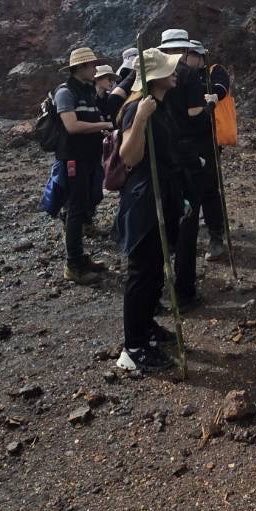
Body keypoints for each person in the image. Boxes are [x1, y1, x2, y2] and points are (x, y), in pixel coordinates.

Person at [112, 47, 184, 374]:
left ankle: (146, 327)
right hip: (144, 200)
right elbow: (129, 156)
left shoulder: (163, 105)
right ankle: (133, 348)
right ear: (154, 77)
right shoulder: (137, 109)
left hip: (164, 194)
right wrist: (140, 117)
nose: (176, 72)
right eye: (170, 69)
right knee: (142, 273)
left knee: (156, 269)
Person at [157, 28, 231, 309]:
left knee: (168, 214)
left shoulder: (150, 72)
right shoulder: (185, 75)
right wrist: (209, 107)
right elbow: (194, 115)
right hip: (192, 151)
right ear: (186, 51)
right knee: (191, 213)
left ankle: (158, 288)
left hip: (164, 152)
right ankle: (184, 290)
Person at [54, 47, 114, 285]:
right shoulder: (65, 92)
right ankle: (73, 264)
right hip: (73, 158)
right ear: (80, 68)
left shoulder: (87, 91)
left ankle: (80, 258)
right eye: (91, 66)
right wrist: (105, 125)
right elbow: (71, 126)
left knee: (87, 201)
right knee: (76, 209)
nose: (95, 69)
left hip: (88, 156)